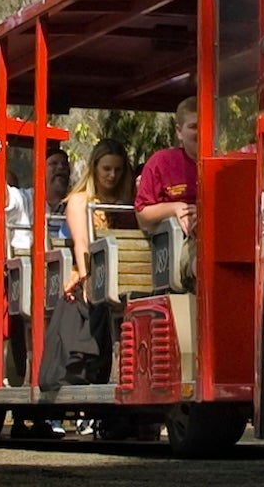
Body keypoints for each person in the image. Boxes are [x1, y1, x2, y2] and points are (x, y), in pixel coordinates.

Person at [38, 139, 133, 388]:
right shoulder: (80, 201)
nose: (112, 175)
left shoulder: (128, 203)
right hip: (94, 272)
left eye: (118, 169)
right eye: (106, 169)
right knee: (85, 300)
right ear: (95, 168)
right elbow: (81, 243)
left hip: (128, 270)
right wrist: (86, 277)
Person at [137, 98, 199, 237]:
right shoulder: (161, 162)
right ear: (179, 131)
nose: (200, 132)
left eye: (206, 125)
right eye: (194, 126)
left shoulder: (224, 164)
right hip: (177, 242)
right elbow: (142, 214)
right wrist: (176, 208)